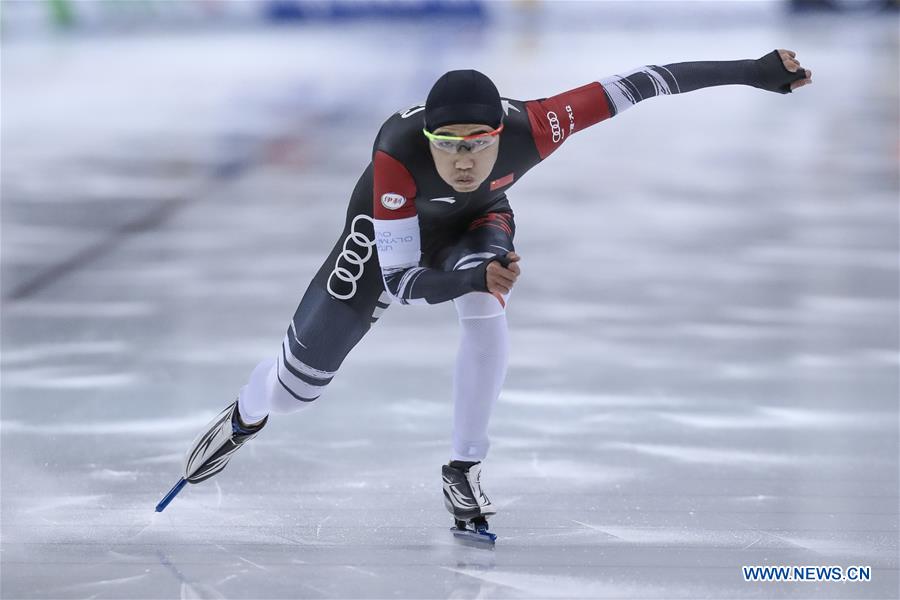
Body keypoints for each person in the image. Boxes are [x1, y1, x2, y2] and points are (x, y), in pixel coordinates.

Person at [176, 49, 812, 532]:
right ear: (428, 138)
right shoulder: (396, 152)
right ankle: (245, 415)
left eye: (476, 145)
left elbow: (647, 83)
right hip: (384, 238)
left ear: (498, 136)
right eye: (447, 145)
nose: (461, 159)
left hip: (478, 222)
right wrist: (468, 276)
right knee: (294, 395)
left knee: (486, 304)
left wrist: (752, 70)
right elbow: (402, 282)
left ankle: (462, 467)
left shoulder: (538, 125)